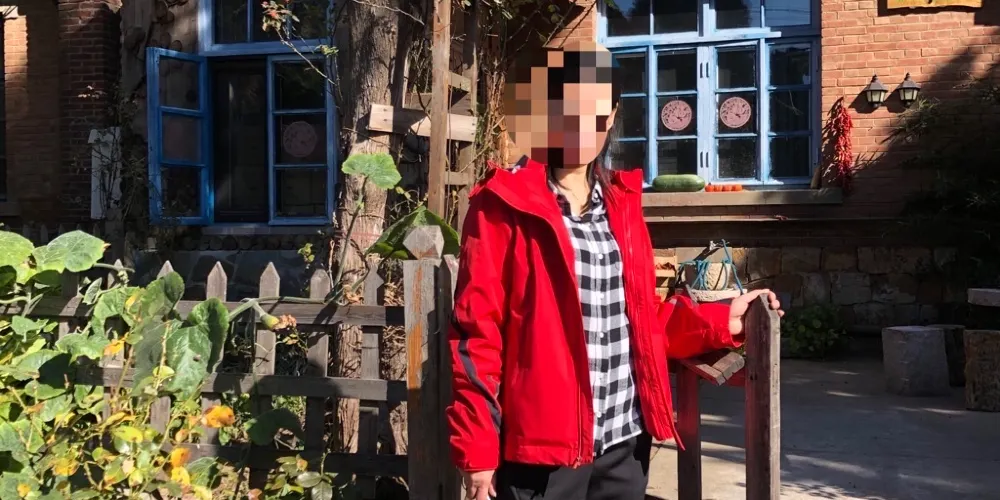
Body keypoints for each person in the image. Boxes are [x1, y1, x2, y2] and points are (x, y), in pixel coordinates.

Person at [447, 41, 784, 500]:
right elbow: (476, 338)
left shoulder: (621, 207)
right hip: (543, 454)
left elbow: (640, 324)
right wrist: (478, 451)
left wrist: (721, 319)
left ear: (610, 117)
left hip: (624, 442)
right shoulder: (501, 206)